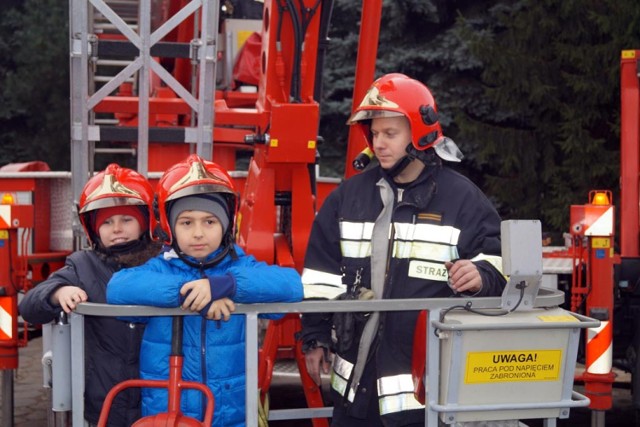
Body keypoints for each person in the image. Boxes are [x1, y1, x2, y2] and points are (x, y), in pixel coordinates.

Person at [299, 73, 507, 427]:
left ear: (420, 133)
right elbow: (321, 275)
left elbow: (502, 262)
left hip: (423, 397)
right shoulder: (348, 198)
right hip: (354, 397)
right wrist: (315, 336)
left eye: (390, 134)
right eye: (374, 134)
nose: (379, 144)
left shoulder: (463, 199)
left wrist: (482, 274)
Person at [106, 154, 304, 426]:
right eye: (186, 222)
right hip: (168, 412)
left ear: (225, 225)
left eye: (209, 221)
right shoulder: (160, 269)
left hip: (229, 412)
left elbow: (291, 285)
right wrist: (192, 293)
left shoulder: (240, 265)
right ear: (169, 227)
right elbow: (118, 287)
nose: (198, 233)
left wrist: (226, 285)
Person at [19, 164, 161, 426]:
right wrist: (57, 292)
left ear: (145, 222)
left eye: (126, 219)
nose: (117, 228)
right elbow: (29, 306)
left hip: (158, 398)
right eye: (106, 222)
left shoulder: (164, 262)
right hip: (103, 401)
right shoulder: (82, 266)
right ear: (93, 229)